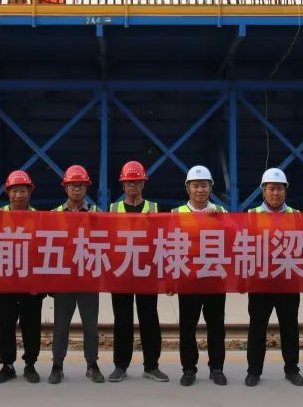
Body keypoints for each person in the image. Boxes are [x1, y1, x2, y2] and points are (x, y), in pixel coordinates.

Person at [107, 160, 168, 383]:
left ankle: (152, 366)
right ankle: (120, 366)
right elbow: (106, 241)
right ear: (123, 185)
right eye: (129, 182)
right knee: (122, 321)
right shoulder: (113, 210)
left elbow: (165, 240)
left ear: (143, 184)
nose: (132, 186)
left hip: (147, 273)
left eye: (136, 182)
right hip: (122, 273)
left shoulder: (155, 208)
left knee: (149, 319)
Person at [244, 168, 303, 387]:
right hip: (260, 283)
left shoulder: (296, 215)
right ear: (263, 191)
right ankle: (254, 371)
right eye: (271, 189)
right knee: (257, 328)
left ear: (285, 190)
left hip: (288, 282)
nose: (275, 193)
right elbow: (243, 247)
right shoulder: (251, 215)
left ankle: (292, 369)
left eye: (279, 189)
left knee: (290, 328)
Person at [173, 165, 228, 387]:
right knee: (187, 328)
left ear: (210, 188)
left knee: (216, 328)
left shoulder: (221, 212)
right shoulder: (176, 213)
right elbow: (167, 246)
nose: (200, 190)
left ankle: (217, 368)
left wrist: (220, 220)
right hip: (188, 280)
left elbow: (236, 236)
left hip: (214, 279)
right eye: (195, 186)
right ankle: (189, 369)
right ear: (188, 188)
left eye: (204, 185)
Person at [49, 165, 104, 384]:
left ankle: (92, 364)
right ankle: (57, 365)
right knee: (60, 326)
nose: (77, 189)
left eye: (81, 185)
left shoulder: (97, 214)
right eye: (72, 185)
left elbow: (108, 242)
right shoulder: (54, 215)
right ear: (65, 188)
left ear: (86, 187)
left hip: (87, 278)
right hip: (64, 279)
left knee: (91, 326)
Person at [0, 170, 44, 384]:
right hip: (5, 281)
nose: (18, 195)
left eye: (23, 190)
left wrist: (40, 283)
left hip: (31, 282)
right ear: (8, 193)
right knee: (5, 324)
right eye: (14, 191)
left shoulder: (40, 218)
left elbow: (44, 250)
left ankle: (30, 364)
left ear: (29, 192)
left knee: (31, 325)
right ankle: (7, 365)